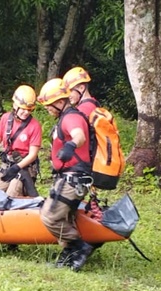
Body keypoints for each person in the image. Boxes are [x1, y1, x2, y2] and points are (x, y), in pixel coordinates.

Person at [37, 78, 94, 271]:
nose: (48, 110)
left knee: (50, 216)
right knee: (66, 217)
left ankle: (80, 247)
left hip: (73, 178)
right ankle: (69, 256)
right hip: (69, 177)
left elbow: (79, 136)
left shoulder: (71, 118)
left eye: (49, 106)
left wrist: (71, 145)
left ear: (60, 102)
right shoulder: (66, 117)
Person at [0, 85, 43, 197]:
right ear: (15, 105)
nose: (26, 112)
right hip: (8, 164)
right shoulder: (5, 118)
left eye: (29, 110)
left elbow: (33, 155)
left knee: (11, 196)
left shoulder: (35, 126)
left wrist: (17, 167)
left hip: (24, 167)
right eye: (23, 109)